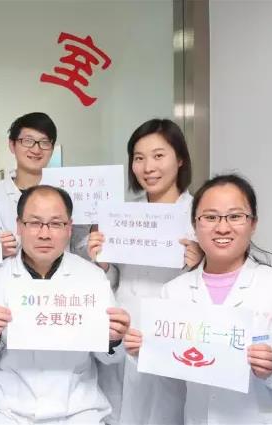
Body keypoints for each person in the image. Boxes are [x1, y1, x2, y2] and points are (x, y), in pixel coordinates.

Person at [124, 173, 272, 424]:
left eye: (235, 216)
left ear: (253, 223)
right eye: (210, 217)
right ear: (195, 225)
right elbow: (170, 378)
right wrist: (145, 351)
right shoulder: (173, 292)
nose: (222, 227)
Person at [0, 185, 131, 424]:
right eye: (34, 223)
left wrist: (113, 338)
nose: (45, 234)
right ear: (19, 226)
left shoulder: (92, 277)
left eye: (55, 224)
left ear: (69, 227)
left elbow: (111, 359)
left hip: (79, 412)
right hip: (9, 413)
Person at [87, 118, 203, 424]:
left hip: (171, 338)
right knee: (119, 410)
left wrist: (198, 266)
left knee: (165, 412)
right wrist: (103, 264)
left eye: (158, 155)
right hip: (123, 333)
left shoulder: (199, 216)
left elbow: (218, 288)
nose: (148, 167)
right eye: (139, 158)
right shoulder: (122, 215)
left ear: (180, 159)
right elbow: (115, 280)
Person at [0, 112, 90, 259]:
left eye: (44, 142)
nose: (36, 150)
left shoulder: (68, 193)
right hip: (5, 273)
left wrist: (94, 239)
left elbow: (79, 249)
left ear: (52, 148)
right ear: (12, 145)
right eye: (28, 141)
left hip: (61, 273)